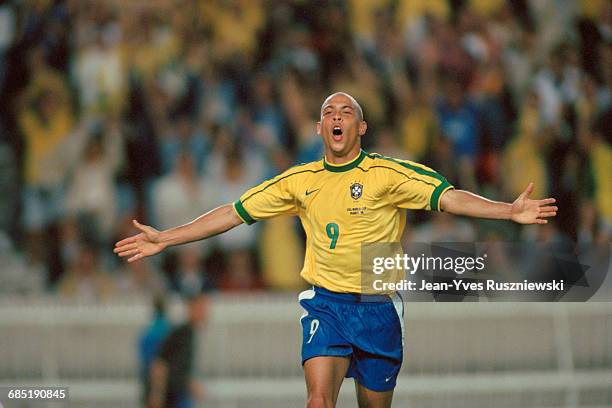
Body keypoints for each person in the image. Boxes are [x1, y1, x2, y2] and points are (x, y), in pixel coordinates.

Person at [115, 92, 558, 408]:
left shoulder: (389, 173)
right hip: (325, 303)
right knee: (318, 398)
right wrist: (166, 237)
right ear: (321, 127)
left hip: (378, 305)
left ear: (360, 127)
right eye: (329, 111)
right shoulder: (300, 180)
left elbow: (450, 197)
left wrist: (507, 211)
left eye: (347, 111)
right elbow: (233, 212)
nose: (337, 116)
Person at [148, 293, 208, 408]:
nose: (205, 311)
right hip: (170, 397)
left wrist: (190, 383)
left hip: (180, 394)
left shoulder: (191, 333)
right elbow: (159, 362)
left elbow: (181, 367)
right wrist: (157, 394)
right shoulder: (180, 332)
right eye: (202, 307)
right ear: (191, 308)